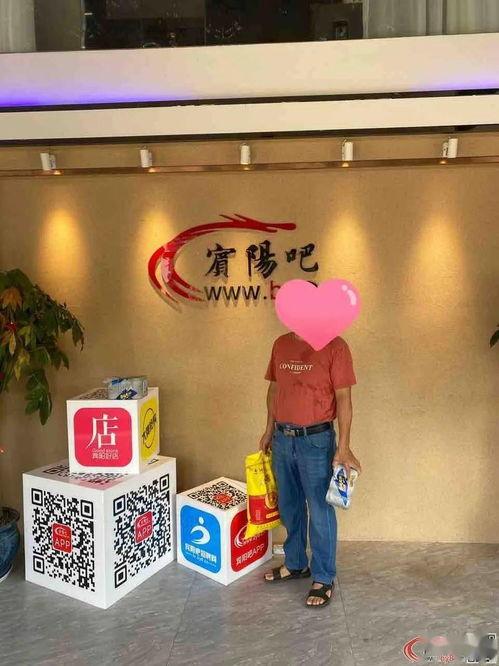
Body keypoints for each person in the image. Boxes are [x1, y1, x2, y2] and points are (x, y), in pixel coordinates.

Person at [259, 332, 361, 608]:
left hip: (316, 440)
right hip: (282, 438)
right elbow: (274, 390)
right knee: (289, 505)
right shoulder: (281, 343)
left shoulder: (336, 346)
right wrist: (268, 430)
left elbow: (343, 398)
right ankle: (295, 564)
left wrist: (343, 447)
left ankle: (323, 577)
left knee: (319, 508)